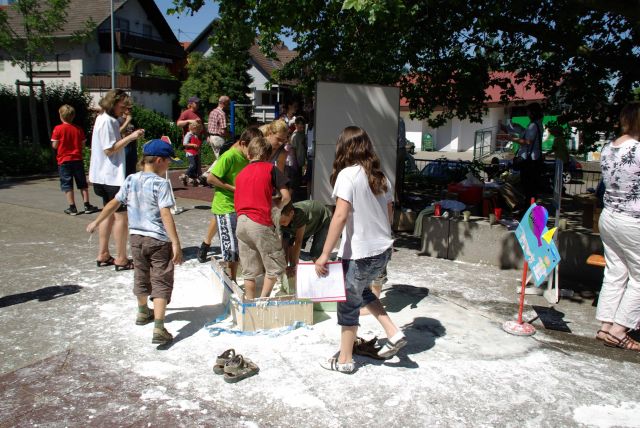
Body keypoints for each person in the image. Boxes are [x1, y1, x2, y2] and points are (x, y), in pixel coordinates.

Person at [315, 126, 406, 374]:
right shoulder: (380, 176)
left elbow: (340, 216)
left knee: (348, 304)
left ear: (344, 148)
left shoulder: (348, 175)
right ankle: (393, 332)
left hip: (360, 253)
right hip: (382, 250)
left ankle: (344, 360)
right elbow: (389, 212)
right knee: (364, 291)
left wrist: (324, 254)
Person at [87, 140, 183, 345]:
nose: (169, 165)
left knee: (141, 275)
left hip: (136, 238)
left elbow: (114, 203)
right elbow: (165, 213)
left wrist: (97, 221)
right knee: (161, 280)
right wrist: (175, 242)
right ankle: (159, 327)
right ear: (159, 160)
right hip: (158, 239)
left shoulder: (131, 179)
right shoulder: (161, 184)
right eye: (168, 161)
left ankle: (142, 312)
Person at [594, 102, 640, 352]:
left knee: (615, 272)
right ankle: (619, 330)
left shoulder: (608, 148)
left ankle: (606, 325)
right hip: (633, 220)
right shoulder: (638, 149)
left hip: (609, 217)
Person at [89, 89, 145, 270]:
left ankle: (103, 254)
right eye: (122, 106)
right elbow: (109, 149)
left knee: (107, 213)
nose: (124, 110)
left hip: (101, 175)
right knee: (121, 217)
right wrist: (131, 137)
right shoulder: (108, 121)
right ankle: (121, 258)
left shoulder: (102, 118)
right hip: (112, 176)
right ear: (113, 103)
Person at [234, 136, 291, 300]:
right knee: (275, 264)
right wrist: (277, 205)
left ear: (248, 154)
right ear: (269, 155)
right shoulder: (270, 169)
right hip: (259, 222)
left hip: (241, 222)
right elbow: (286, 196)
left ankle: (250, 301)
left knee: (249, 269)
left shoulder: (241, 174)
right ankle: (263, 300)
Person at [201, 128, 259, 277]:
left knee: (243, 244)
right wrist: (234, 189)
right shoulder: (229, 156)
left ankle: (235, 275)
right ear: (243, 143)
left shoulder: (249, 158)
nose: (253, 154)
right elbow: (210, 178)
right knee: (231, 248)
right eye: (251, 150)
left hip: (241, 206)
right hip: (226, 206)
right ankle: (230, 279)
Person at [50, 104, 99, 216]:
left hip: (63, 160)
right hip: (77, 159)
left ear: (60, 116)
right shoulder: (78, 129)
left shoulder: (58, 129)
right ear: (73, 116)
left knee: (67, 184)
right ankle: (87, 205)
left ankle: (72, 207)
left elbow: (55, 145)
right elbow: (82, 144)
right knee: (82, 183)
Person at [279, 200, 331, 275]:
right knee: (290, 245)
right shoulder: (281, 219)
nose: (282, 224)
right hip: (308, 223)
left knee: (316, 252)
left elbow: (298, 241)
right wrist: (285, 267)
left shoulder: (299, 215)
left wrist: (294, 265)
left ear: (291, 213)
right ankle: (292, 271)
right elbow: (284, 244)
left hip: (323, 218)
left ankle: (322, 275)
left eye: (284, 222)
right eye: (281, 223)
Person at [510, 103, 544, 201]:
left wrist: (512, 139)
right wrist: (521, 128)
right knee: (532, 188)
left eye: (528, 111)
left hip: (529, 161)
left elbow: (528, 141)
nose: (527, 114)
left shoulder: (533, 125)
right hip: (535, 159)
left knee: (528, 187)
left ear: (533, 112)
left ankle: (528, 206)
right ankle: (530, 205)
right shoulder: (538, 124)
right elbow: (529, 135)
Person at [179, 121, 203, 187]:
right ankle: (184, 176)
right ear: (193, 128)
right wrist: (193, 145)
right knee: (193, 165)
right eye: (197, 129)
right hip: (190, 153)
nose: (198, 130)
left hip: (195, 153)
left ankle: (193, 181)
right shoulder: (189, 134)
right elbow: (184, 143)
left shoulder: (195, 135)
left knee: (196, 167)